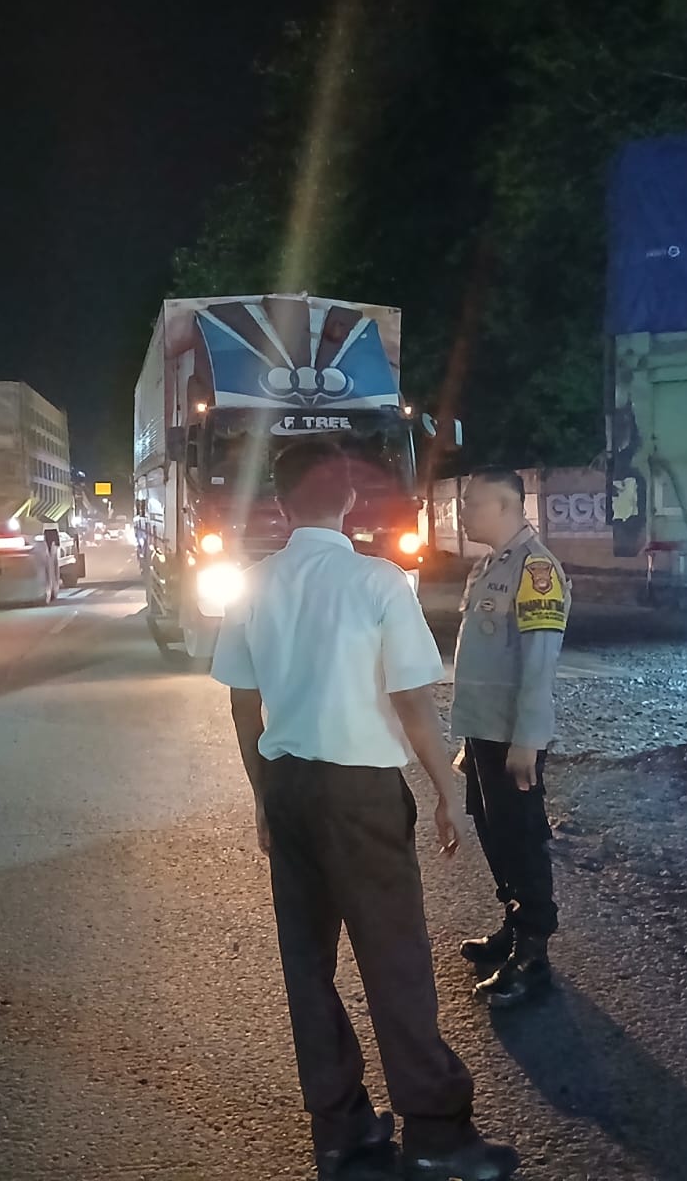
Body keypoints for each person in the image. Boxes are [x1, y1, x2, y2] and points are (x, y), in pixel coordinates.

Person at [212, 439, 520, 1181]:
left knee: (308, 966)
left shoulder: (251, 584)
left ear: (281, 504)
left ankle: (341, 1132)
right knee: (395, 962)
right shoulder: (378, 580)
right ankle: (437, 1135)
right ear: (350, 498)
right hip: (361, 795)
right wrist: (447, 791)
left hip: (289, 787)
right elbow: (412, 701)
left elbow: (244, 706)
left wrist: (262, 798)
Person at [449, 468, 570, 1008]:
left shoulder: (535, 569)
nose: (462, 514)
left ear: (504, 505)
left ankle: (533, 954)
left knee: (521, 835)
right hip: (485, 732)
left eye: (471, 504)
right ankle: (513, 924)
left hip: (511, 736)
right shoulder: (490, 565)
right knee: (492, 828)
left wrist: (527, 740)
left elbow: (538, 666)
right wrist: (471, 738)